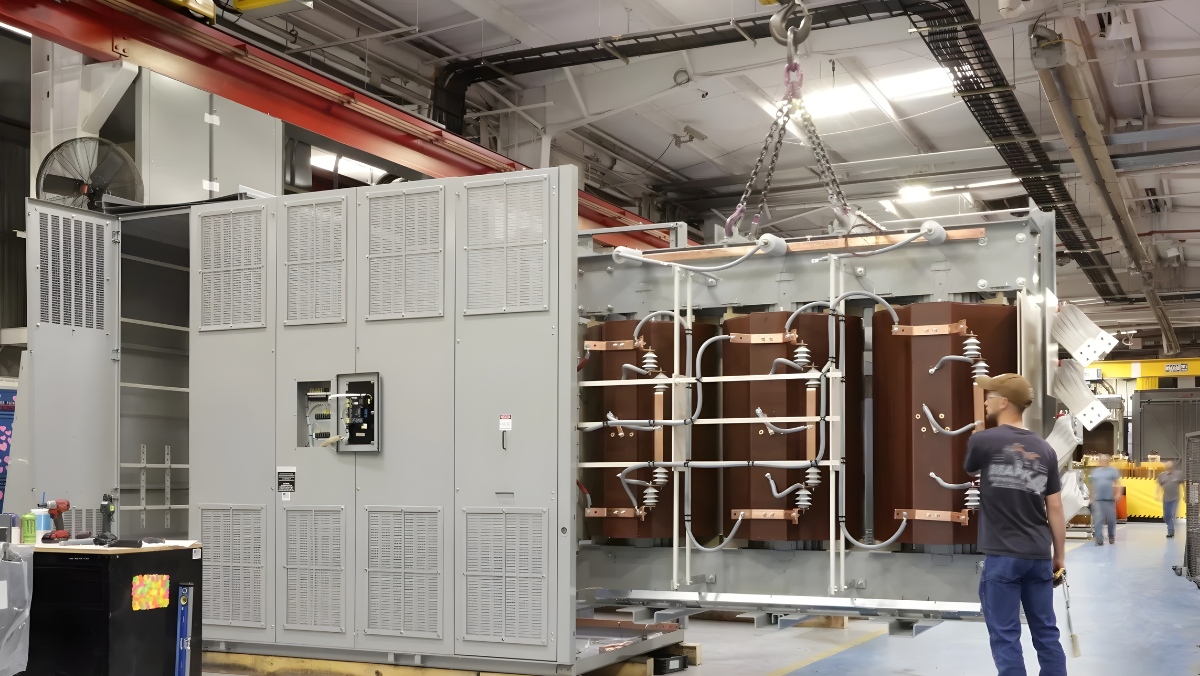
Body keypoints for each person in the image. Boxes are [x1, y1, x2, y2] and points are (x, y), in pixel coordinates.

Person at [965, 373, 1067, 676]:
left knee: (1006, 635)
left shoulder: (982, 441)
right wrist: (1058, 556)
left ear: (1004, 401)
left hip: (1003, 557)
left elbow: (969, 468)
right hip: (1038, 556)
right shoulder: (1046, 449)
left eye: (990, 395)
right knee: (1047, 632)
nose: (985, 400)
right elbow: (1056, 506)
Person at [1088, 454, 1121, 545]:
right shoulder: (1094, 472)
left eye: (1105, 460)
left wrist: (1118, 493)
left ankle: (1111, 537)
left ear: (1108, 461)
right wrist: (1091, 497)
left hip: (1109, 499)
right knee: (1098, 519)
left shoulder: (1112, 471)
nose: (1103, 462)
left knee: (1111, 519)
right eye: (1101, 460)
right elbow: (1091, 485)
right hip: (1098, 500)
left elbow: (1117, 483)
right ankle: (1099, 538)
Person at [1156, 460, 1184, 538]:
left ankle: (1170, 531)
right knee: (1166, 516)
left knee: (1171, 514)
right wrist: (1157, 494)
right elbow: (1159, 486)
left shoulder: (1178, 474)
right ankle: (1171, 525)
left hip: (1175, 498)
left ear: (1172, 466)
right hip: (1166, 499)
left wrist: (1185, 495)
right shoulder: (1162, 475)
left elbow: (1183, 484)